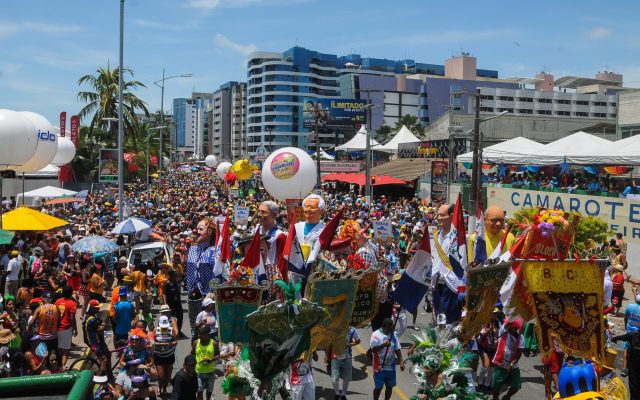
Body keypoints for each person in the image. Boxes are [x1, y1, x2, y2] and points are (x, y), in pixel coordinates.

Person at [370, 318, 404, 400]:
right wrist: (383, 345)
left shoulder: (393, 335)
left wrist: (401, 361)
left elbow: (397, 349)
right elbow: (373, 349)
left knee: (389, 387)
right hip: (379, 368)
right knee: (378, 387)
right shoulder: (375, 335)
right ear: (386, 326)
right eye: (392, 326)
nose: (393, 328)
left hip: (390, 368)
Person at [491, 317, 524, 400]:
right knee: (496, 386)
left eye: (512, 326)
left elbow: (519, 353)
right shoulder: (503, 331)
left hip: (513, 365)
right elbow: (509, 319)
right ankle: (495, 398)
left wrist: (512, 364)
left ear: (516, 327)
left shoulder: (521, 338)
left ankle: (506, 397)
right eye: (509, 325)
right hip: (500, 363)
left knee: (516, 386)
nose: (509, 327)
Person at [186, 218, 218, 296]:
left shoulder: (215, 251)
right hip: (194, 296)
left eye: (201, 229)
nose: (197, 231)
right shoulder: (192, 250)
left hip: (211, 296)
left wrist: (212, 294)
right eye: (197, 229)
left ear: (209, 232)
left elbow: (220, 276)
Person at [330, 326, 361, 400]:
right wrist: (327, 355)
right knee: (334, 379)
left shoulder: (352, 330)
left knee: (347, 378)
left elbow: (358, 340)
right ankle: (337, 394)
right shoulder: (333, 329)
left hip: (347, 358)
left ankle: (343, 394)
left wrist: (349, 345)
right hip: (335, 358)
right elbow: (329, 343)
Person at [149, 315, 177, 396]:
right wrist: (159, 343)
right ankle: (159, 387)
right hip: (159, 356)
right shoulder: (155, 330)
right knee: (161, 375)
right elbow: (151, 342)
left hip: (169, 355)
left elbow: (175, 341)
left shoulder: (171, 331)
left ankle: (164, 390)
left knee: (168, 375)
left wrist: (170, 343)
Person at [83, 299, 111, 378]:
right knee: (104, 359)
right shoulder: (92, 320)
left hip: (93, 341)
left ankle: (109, 373)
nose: (98, 309)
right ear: (91, 308)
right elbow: (100, 330)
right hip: (95, 343)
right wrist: (103, 325)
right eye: (97, 307)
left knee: (108, 354)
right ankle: (100, 378)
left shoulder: (87, 315)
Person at [27, 291, 59, 356]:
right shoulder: (56, 308)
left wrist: (29, 333)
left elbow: (31, 323)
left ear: (42, 299)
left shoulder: (39, 309)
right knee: (54, 356)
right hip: (54, 337)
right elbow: (59, 322)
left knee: (43, 356)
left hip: (42, 338)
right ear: (51, 299)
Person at [191, 325, 218, 400]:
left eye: (202, 334)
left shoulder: (214, 344)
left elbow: (218, 355)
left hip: (210, 372)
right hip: (198, 371)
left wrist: (211, 359)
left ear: (207, 334)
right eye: (199, 333)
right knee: (199, 390)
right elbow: (192, 353)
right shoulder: (196, 343)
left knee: (209, 390)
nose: (199, 335)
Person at [54, 285, 77, 370]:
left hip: (57, 328)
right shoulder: (72, 304)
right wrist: (75, 328)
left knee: (59, 347)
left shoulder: (57, 301)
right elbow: (72, 318)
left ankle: (60, 365)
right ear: (71, 293)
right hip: (66, 328)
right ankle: (63, 366)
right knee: (66, 349)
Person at [163, 270, 186, 338]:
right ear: (171, 276)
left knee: (180, 317)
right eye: (174, 275)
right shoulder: (167, 283)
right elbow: (164, 294)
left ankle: (178, 331)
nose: (175, 276)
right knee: (170, 318)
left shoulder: (176, 282)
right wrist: (165, 303)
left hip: (177, 303)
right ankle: (170, 332)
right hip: (170, 304)